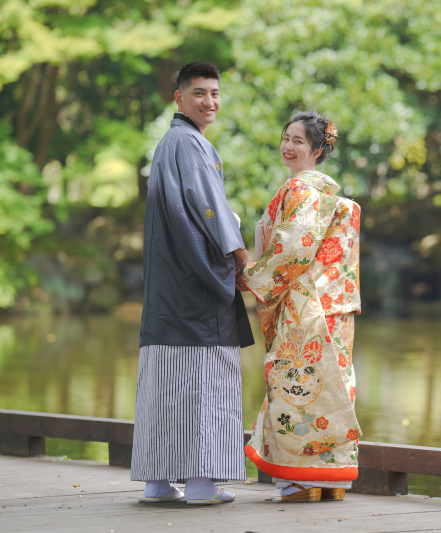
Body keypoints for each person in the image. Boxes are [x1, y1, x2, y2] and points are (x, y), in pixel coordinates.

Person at [130, 61, 254, 505]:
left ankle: (157, 482)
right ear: (179, 98)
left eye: (215, 93)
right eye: (199, 93)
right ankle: (201, 484)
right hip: (196, 289)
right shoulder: (189, 143)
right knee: (204, 384)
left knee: (164, 385)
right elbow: (209, 209)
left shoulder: (169, 143)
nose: (209, 101)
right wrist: (240, 256)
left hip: (168, 291)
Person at [240, 110, 362, 502]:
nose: (288, 147)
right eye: (286, 138)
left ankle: (299, 481)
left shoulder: (299, 190)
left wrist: (250, 275)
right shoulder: (330, 196)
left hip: (304, 306)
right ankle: (332, 479)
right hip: (335, 305)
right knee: (332, 385)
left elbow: (292, 249)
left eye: (299, 141)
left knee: (296, 386)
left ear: (317, 150)